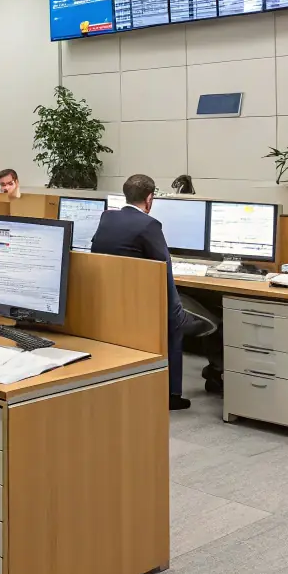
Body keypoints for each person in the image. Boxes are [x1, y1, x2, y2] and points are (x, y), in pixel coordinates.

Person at [90, 173, 193, 411]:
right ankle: (171, 394)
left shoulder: (107, 217)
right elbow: (163, 268)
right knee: (178, 321)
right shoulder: (150, 225)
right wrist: (175, 313)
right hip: (142, 305)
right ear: (149, 199)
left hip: (115, 302)